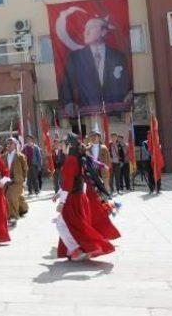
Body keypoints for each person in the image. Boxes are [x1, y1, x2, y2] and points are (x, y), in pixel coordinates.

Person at [54, 133, 115, 261]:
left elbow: (70, 182)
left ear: (69, 145)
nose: (61, 146)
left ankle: (78, 249)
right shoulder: (77, 157)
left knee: (64, 224)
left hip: (73, 198)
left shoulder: (71, 160)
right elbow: (73, 179)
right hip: (78, 196)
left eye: (63, 143)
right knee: (71, 225)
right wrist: (59, 192)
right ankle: (78, 249)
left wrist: (61, 202)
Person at [61, 16, 132, 114]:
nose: (86, 32)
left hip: (115, 114)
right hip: (86, 115)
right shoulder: (75, 58)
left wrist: (130, 94)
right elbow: (66, 84)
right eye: (85, 29)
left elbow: (127, 83)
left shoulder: (118, 56)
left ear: (103, 32)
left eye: (91, 27)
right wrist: (68, 103)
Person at [2, 137, 28, 226]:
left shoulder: (20, 156)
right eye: (8, 143)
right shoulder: (4, 156)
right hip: (7, 181)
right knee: (16, 197)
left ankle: (13, 217)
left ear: (15, 145)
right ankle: (23, 208)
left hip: (17, 181)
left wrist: (24, 179)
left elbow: (25, 169)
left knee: (11, 197)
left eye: (11, 143)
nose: (9, 145)